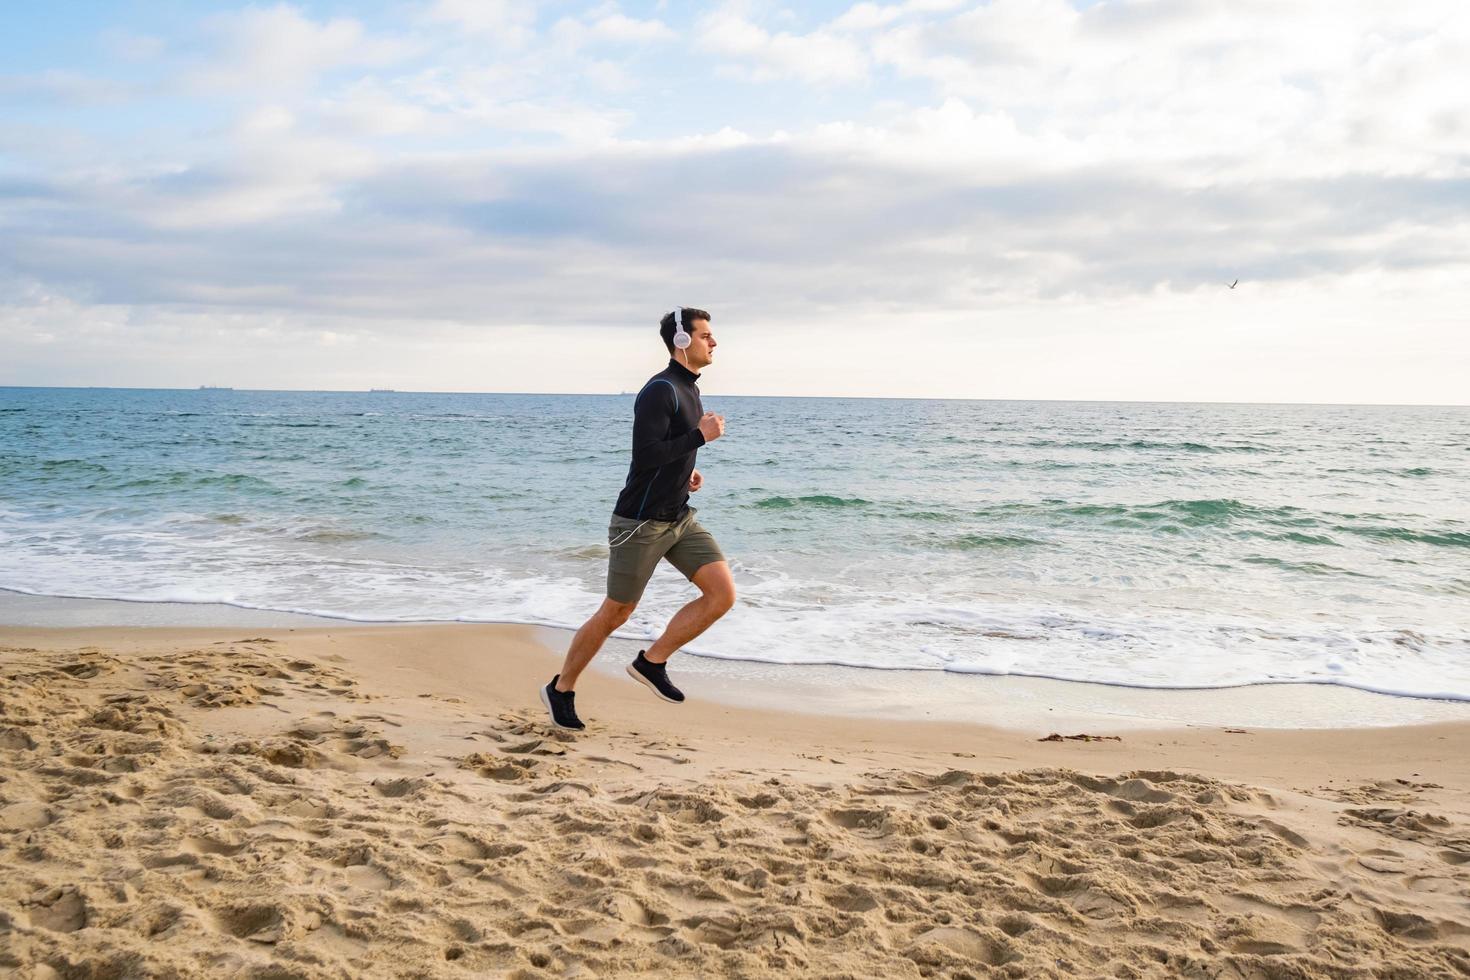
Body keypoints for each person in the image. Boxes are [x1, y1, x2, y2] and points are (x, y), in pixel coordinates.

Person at [539, 307, 734, 731]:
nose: (713, 342)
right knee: (616, 612)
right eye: (705, 335)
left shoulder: (690, 388)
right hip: (641, 523)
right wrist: (700, 437)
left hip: (678, 517)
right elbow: (644, 455)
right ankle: (562, 688)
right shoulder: (660, 390)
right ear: (682, 341)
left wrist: (688, 469)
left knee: (721, 595)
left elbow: (669, 448)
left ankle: (652, 661)